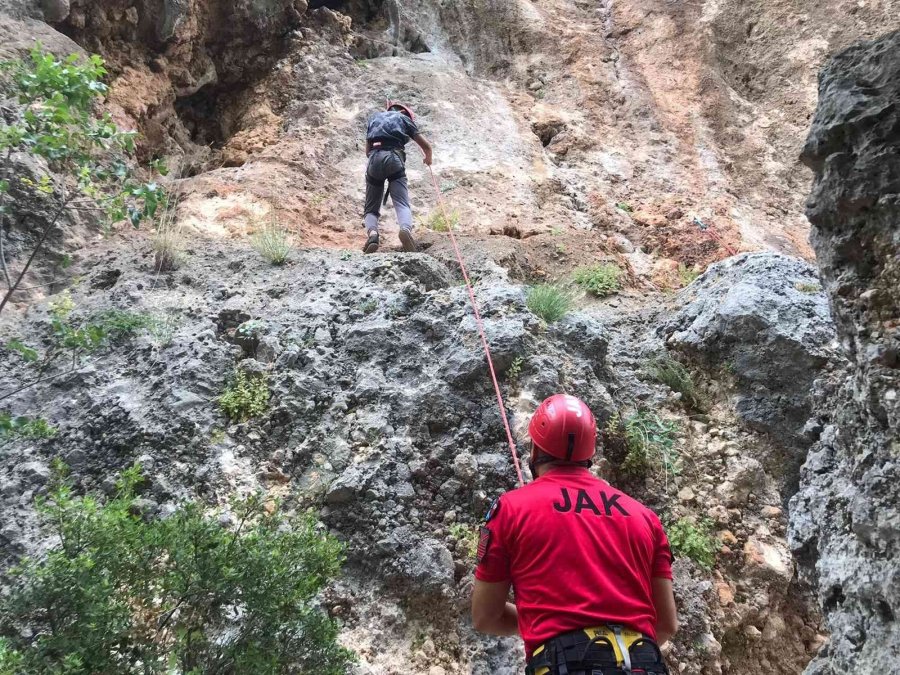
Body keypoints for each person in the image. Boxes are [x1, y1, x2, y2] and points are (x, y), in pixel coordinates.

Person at [472, 394, 678, 675]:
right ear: (589, 453)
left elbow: (486, 616)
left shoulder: (510, 509)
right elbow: (666, 625)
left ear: (535, 448)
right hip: (644, 664)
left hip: (566, 664)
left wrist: (550, 621)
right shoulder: (645, 517)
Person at [362, 101, 433, 254]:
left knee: (371, 208)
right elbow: (426, 146)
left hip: (374, 159)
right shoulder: (404, 119)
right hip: (394, 158)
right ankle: (405, 230)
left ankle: (373, 235)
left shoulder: (374, 118)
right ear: (404, 112)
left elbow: (367, 151)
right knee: (401, 202)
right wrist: (428, 159)